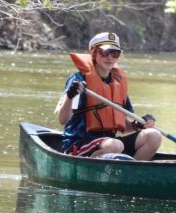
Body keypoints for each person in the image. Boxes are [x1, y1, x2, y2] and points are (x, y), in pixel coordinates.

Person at [56, 32, 161, 160]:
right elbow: (63, 119)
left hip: (111, 145)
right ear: (94, 53)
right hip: (79, 145)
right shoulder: (78, 79)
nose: (110, 57)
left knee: (153, 135)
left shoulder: (117, 82)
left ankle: (131, 173)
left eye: (115, 53)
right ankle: (92, 171)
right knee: (115, 145)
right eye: (104, 52)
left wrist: (136, 125)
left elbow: (123, 125)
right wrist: (70, 96)